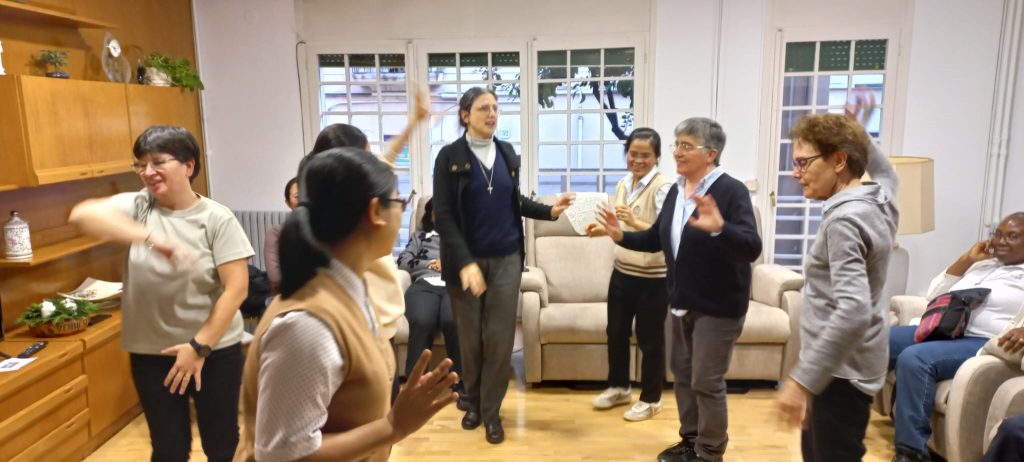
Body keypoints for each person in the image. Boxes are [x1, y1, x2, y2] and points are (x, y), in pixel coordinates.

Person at [234, 148, 457, 462]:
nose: (403, 212)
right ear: (375, 212)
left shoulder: (350, 287)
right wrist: (393, 426)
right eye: (400, 202)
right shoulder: (307, 325)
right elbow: (281, 454)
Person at [70, 126, 253, 462]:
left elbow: (237, 288)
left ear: (188, 165)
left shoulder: (216, 218)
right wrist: (152, 238)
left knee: (222, 445)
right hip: (152, 354)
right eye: (141, 164)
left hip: (213, 352)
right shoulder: (141, 206)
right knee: (168, 449)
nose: (147, 172)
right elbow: (82, 215)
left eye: (158, 162)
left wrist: (198, 347)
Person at [594, 117, 762, 462]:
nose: (677, 152)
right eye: (677, 144)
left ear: (711, 153)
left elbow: (750, 247)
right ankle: (691, 440)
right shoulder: (677, 190)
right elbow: (656, 238)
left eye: (686, 146)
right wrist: (620, 235)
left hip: (718, 307)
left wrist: (720, 228)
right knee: (683, 376)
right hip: (679, 301)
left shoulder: (731, 191)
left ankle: (709, 452)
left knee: (706, 381)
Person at [432, 86, 573, 444]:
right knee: (470, 340)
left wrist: (550, 211)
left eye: (495, 108)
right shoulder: (449, 157)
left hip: (507, 259)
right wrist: (465, 263)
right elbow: (443, 216)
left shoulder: (507, 152)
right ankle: (473, 401)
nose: (492, 114)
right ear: (465, 115)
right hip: (465, 263)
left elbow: (514, 201)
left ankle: (491, 412)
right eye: (484, 108)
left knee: (498, 340)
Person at [774, 99, 899, 462]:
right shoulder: (880, 200)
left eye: (803, 162)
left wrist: (803, 380)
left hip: (838, 374)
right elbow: (889, 174)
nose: (796, 173)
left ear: (839, 161)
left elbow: (853, 310)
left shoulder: (844, 221)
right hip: (851, 365)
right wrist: (859, 132)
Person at [301, 88, 430, 401]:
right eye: (395, 203)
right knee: (374, 415)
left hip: (380, 329)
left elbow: (387, 159)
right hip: (363, 332)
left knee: (385, 414)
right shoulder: (342, 222)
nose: (398, 211)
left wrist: (415, 121)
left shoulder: (353, 194)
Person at [887, 212, 1024, 462]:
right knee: (879, 340)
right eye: (998, 234)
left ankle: (911, 453)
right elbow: (933, 296)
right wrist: (966, 259)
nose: (1001, 241)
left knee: (915, 358)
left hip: (982, 341)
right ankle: (842, 414)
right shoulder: (982, 265)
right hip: (944, 330)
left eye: (1012, 236)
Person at [586, 127, 672, 421]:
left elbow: (663, 234)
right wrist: (603, 230)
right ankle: (619, 387)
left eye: (645, 155)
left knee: (650, 340)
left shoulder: (663, 188)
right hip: (622, 273)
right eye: (633, 154)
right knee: (616, 332)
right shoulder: (623, 183)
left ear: (656, 157)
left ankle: (651, 399)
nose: (638, 160)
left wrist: (634, 220)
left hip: (653, 278)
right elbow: (620, 230)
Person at [396, 198, 466, 407]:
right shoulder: (419, 237)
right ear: (431, 215)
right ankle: (415, 385)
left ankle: (461, 382)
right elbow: (403, 261)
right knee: (422, 320)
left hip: (453, 286)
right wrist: (429, 264)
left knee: (453, 320)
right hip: (424, 285)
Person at [265, 176, 299, 295]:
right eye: (297, 197)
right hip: (287, 298)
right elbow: (275, 277)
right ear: (288, 203)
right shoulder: (276, 233)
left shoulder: (324, 232)